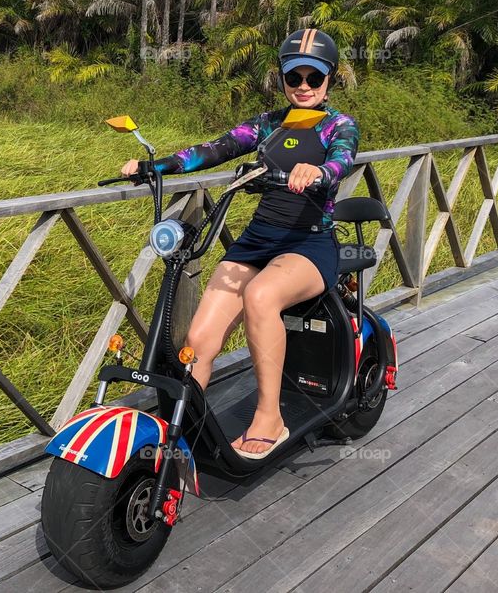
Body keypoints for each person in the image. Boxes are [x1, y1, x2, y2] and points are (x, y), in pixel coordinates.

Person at [120, 28, 358, 458]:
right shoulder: (268, 125)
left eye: (314, 78)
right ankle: (180, 429)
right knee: (200, 338)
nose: (303, 86)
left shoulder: (337, 125)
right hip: (257, 240)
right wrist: (159, 166)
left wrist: (319, 173)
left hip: (308, 244)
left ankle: (271, 417)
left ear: (329, 80)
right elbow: (216, 149)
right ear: (283, 79)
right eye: (294, 77)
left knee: (261, 296)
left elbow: (343, 158)